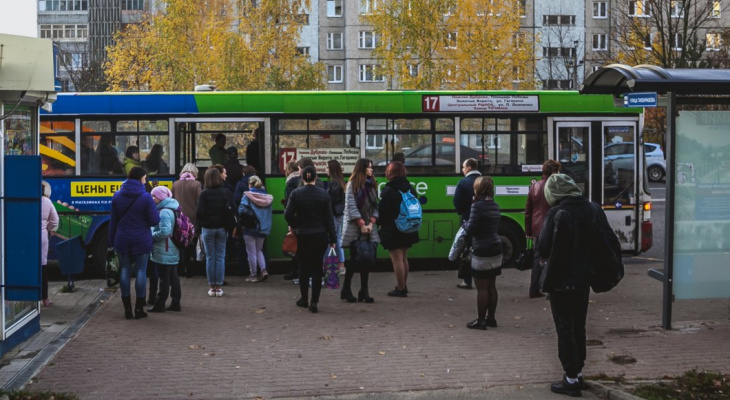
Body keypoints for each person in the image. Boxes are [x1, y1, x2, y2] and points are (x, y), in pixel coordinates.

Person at [537, 173, 596, 397]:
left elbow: (543, 247)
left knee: (564, 327)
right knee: (578, 325)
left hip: (560, 281)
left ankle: (570, 378)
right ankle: (578, 373)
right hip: (583, 280)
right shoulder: (591, 209)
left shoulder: (556, 213)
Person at [109, 166, 160, 320]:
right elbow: (154, 220)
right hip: (141, 239)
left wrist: (111, 242)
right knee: (141, 271)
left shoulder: (117, 196)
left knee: (124, 270)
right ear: (140, 178)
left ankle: (127, 310)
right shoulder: (145, 197)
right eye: (145, 178)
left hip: (122, 238)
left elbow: (113, 222)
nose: (146, 180)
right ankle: (139, 308)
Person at [284, 166, 336, 313]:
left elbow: (287, 215)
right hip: (320, 235)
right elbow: (329, 219)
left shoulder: (296, 193)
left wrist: (295, 225)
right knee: (317, 268)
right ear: (315, 178)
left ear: (302, 178)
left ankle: (304, 299)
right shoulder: (324, 195)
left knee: (304, 268)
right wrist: (332, 238)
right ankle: (315, 301)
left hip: (302, 236)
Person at [464, 176, 502, 330]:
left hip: (482, 248)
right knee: (492, 285)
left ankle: (480, 321)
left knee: (481, 287)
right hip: (496, 247)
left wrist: (465, 224)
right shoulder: (495, 205)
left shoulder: (477, 206)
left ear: (478, 189)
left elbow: (472, 229)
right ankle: (491, 318)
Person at [340, 158, 379, 303]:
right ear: (362, 169)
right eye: (369, 167)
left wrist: (371, 223)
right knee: (354, 259)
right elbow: (351, 206)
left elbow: (376, 206)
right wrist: (361, 223)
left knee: (366, 259)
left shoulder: (372, 185)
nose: (371, 170)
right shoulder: (352, 184)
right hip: (355, 227)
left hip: (368, 227)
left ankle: (364, 291)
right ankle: (346, 288)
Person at [378, 162, 419, 297]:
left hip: (393, 229)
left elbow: (382, 212)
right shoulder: (410, 189)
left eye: (387, 170)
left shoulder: (389, 190)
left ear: (392, 173)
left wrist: (379, 224)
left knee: (397, 259)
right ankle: (403, 285)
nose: (385, 172)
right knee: (404, 257)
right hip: (408, 227)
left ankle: (401, 289)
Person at [525, 159, 561, 298]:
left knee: (537, 258)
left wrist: (528, 231)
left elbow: (528, 211)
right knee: (552, 258)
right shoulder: (555, 187)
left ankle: (534, 289)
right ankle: (549, 289)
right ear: (553, 172)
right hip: (551, 227)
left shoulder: (535, 186)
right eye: (557, 171)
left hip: (537, 227)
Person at [196, 168, 234, 297]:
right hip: (222, 228)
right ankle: (219, 287)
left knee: (210, 257)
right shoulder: (226, 192)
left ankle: (212, 287)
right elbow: (233, 210)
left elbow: (199, 213)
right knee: (220, 257)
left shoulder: (204, 193)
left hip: (207, 228)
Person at [147, 186, 182, 313]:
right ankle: (175, 302)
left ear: (161, 197)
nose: (152, 198)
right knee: (173, 277)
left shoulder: (164, 211)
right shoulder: (173, 207)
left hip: (165, 248)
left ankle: (160, 304)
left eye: (154, 196)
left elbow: (165, 231)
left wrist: (151, 236)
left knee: (164, 278)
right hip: (171, 247)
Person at [453, 158, 481, 289]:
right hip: (483, 221)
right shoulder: (484, 181)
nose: (462, 170)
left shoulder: (463, 182)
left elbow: (457, 202)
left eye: (463, 167)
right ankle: (481, 277)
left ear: (469, 168)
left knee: (467, 249)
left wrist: (462, 211)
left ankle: (467, 280)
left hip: (468, 219)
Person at [238, 175, 273, 282]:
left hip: (250, 227)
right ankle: (263, 270)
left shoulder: (247, 196)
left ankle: (253, 275)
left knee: (251, 252)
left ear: (250, 184)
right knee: (259, 250)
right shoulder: (267, 198)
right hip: (263, 228)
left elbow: (241, 210)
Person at [172, 163, 203, 278]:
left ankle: (180, 267)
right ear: (194, 172)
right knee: (191, 243)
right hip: (192, 218)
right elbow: (200, 201)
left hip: (179, 217)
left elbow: (172, 200)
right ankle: (190, 268)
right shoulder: (196, 184)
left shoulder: (176, 184)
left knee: (180, 241)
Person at [325, 160, 346, 274]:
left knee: (331, 239)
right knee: (337, 239)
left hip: (334, 215)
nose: (325, 170)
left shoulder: (335, 184)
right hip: (338, 214)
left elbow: (330, 200)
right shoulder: (339, 182)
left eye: (327, 168)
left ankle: (329, 264)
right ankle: (341, 264)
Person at [41, 181, 59, 307]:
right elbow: (55, 220)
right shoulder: (47, 202)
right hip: (42, 236)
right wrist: (47, 228)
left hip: (26, 236)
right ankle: (45, 299)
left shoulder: (28, 199)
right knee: (42, 266)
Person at [282, 161, 300, 282]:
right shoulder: (300, 179)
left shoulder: (290, 182)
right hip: (301, 217)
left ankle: (296, 273)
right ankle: (296, 272)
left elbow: (290, 203)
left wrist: (290, 223)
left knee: (295, 245)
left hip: (294, 218)